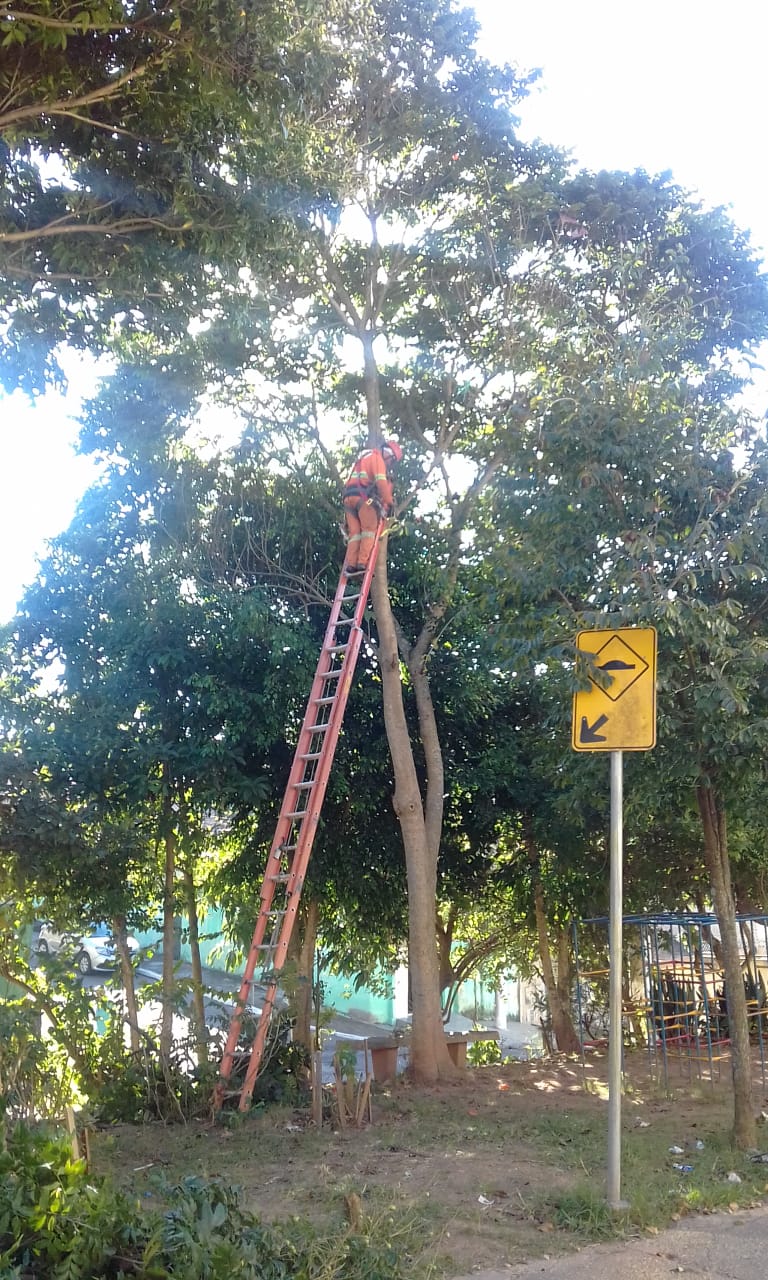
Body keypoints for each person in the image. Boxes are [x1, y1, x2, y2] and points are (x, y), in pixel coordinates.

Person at [343, 439, 402, 573]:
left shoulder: (363, 458)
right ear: (389, 454)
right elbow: (381, 483)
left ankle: (351, 565)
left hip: (348, 499)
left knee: (355, 533)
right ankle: (362, 563)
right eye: (392, 460)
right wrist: (389, 502)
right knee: (369, 529)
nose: (390, 464)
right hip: (362, 498)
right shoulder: (377, 459)